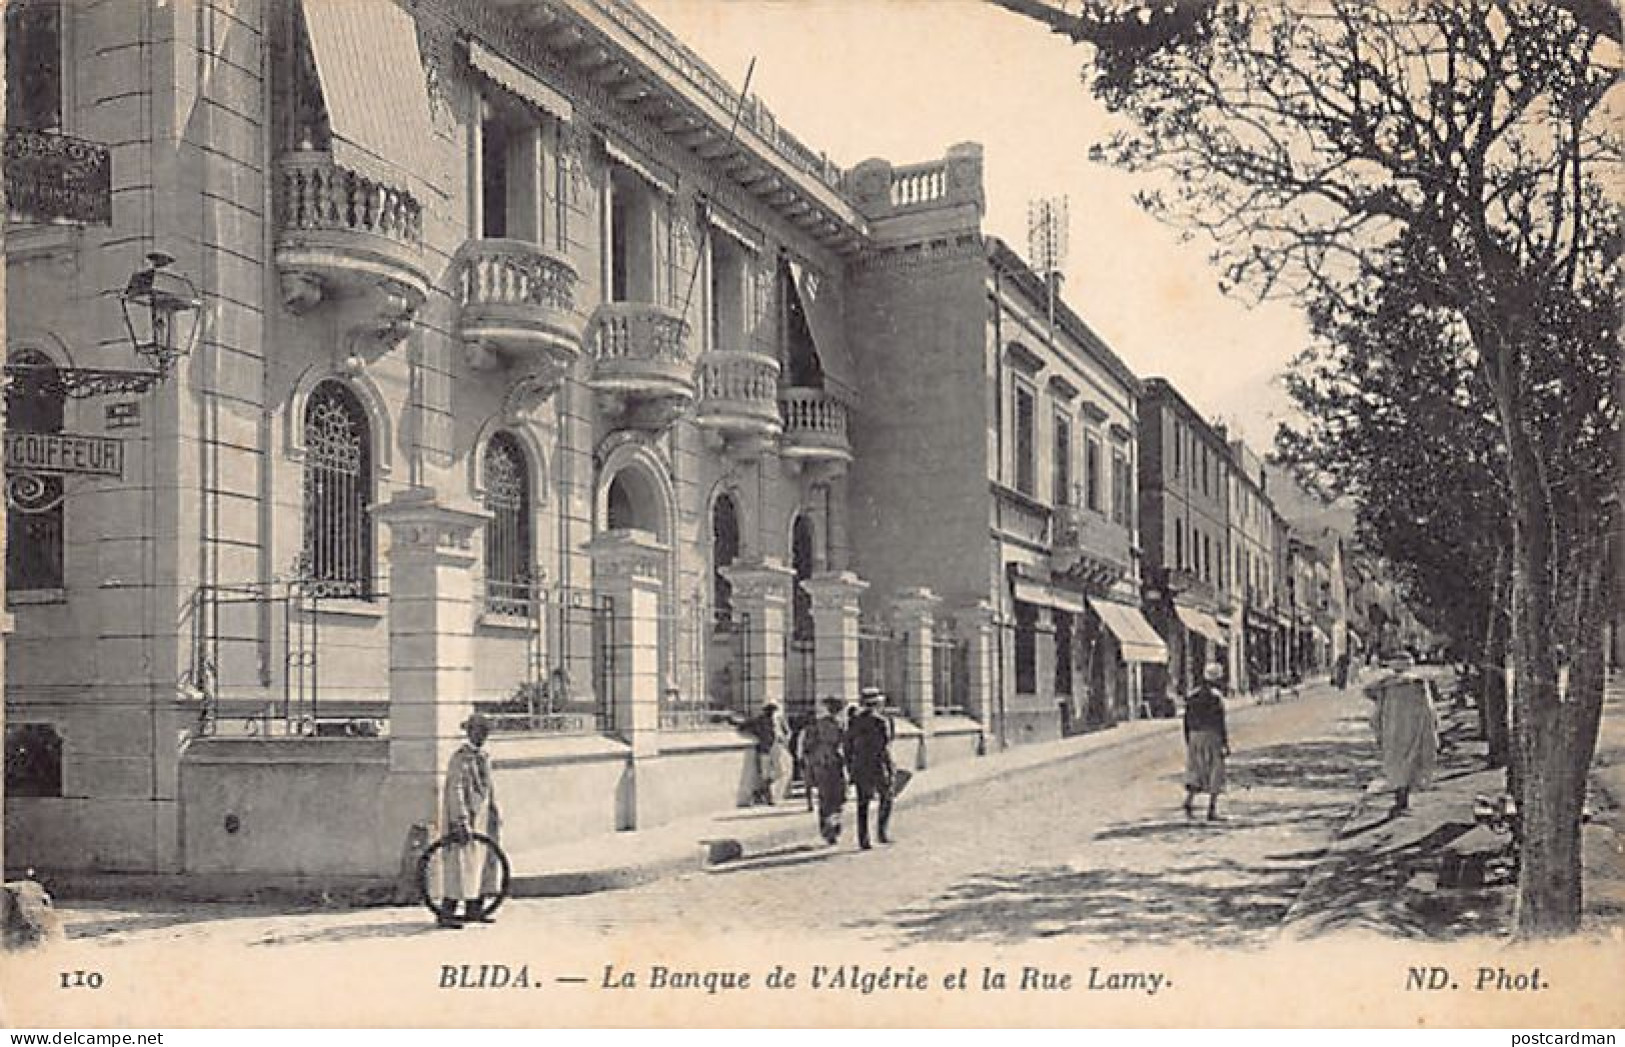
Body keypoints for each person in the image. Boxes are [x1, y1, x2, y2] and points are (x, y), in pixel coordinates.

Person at [437, 712, 501, 929]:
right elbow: (455, 790)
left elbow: (489, 787)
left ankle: (475, 908)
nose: (482, 736)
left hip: (482, 816)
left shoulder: (485, 757)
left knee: (480, 864)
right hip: (465, 816)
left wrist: (494, 811)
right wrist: (460, 818)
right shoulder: (460, 759)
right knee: (460, 865)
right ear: (469, 732)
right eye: (478, 731)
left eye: (485, 732)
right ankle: (447, 912)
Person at [1364, 651, 1438, 816]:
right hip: (1413, 726)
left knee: (1396, 763)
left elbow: (1367, 691)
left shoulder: (1387, 685)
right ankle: (1403, 800)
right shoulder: (1418, 683)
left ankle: (1400, 799)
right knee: (1410, 761)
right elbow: (1430, 705)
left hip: (1392, 728)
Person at [845, 687, 896, 849]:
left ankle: (863, 839)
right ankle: (882, 832)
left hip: (860, 765)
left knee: (862, 803)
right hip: (878, 764)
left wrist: (850, 765)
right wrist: (890, 767)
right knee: (887, 797)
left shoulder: (854, 720)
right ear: (877, 703)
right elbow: (885, 745)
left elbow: (848, 745)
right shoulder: (881, 721)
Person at [1182, 662, 1230, 822]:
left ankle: (1188, 801)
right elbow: (1220, 721)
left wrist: (1188, 739)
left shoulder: (1192, 695)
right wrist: (1224, 742)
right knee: (1215, 770)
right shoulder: (1216, 697)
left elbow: (1186, 720)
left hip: (1195, 735)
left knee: (1196, 769)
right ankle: (1211, 809)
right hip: (1211, 735)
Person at [798, 696, 848, 844]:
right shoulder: (836, 725)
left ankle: (829, 829)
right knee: (833, 798)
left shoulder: (827, 725)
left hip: (828, 764)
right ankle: (831, 829)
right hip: (831, 764)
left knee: (830, 798)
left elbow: (808, 746)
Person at [738, 701, 792, 805]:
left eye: (773, 710)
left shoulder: (779, 719)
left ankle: (764, 791)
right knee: (765, 774)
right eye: (769, 710)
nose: (771, 713)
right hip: (764, 749)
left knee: (780, 772)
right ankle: (768, 797)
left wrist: (784, 739)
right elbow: (744, 726)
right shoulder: (759, 720)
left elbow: (788, 732)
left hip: (777, 748)